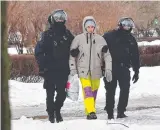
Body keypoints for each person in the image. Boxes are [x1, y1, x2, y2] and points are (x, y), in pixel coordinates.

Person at [34, 9, 74, 123]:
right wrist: (43, 65)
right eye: (57, 18)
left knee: (62, 94)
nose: (60, 20)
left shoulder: (68, 34)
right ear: (52, 19)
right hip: (49, 69)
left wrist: (75, 52)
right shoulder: (47, 35)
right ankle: (51, 114)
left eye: (62, 17)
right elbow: (39, 51)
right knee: (50, 94)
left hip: (63, 69)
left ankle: (57, 110)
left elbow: (75, 46)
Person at [69, 16, 112, 120]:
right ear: (84, 26)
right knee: (87, 90)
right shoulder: (78, 39)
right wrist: (73, 69)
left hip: (96, 71)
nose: (90, 28)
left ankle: (89, 112)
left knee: (93, 92)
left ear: (95, 27)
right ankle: (92, 112)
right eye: (88, 26)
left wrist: (108, 69)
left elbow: (107, 56)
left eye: (92, 26)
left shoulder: (100, 39)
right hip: (83, 71)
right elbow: (72, 56)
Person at [102, 17, 140, 119]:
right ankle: (110, 112)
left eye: (129, 25)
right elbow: (100, 51)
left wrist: (136, 71)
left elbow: (135, 56)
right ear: (120, 25)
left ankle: (121, 111)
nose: (127, 27)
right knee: (110, 91)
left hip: (124, 68)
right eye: (125, 24)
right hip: (110, 67)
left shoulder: (131, 39)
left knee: (125, 89)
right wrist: (102, 67)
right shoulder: (109, 36)